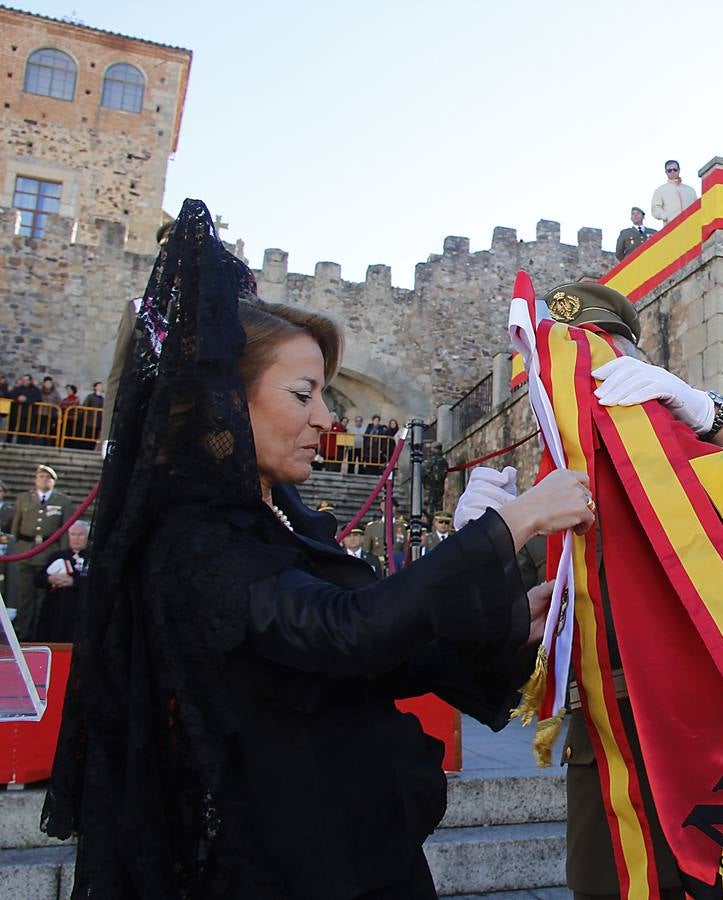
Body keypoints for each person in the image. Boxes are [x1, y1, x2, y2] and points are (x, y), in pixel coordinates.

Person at [40, 200, 596, 899]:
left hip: (357, 850)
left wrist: (517, 617)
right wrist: (513, 522)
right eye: (304, 394)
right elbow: (343, 632)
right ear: (223, 404)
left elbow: (388, 642)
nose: (328, 420)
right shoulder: (192, 541)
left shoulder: (282, 520)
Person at [457, 281, 723, 900]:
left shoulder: (697, 447)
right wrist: (477, 548)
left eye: (598, 357)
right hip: (607, 745)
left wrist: (715, 416)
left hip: (718, 729)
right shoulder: (544, 491)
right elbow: (515, 633)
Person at [6, 464, 74, 639]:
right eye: (41, 476)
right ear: (35, 479)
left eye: (48, 477)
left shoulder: (63, 501)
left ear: (53, 481)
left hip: (49, 553)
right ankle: (22, 632)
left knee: (43, 597)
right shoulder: (23, 499)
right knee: (24, 596)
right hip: (25, 552)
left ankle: (38, 632)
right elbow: (15, 528)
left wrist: (63, 554)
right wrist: (14, 550)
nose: (44, 479)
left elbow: (66, 529)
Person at [32, 519, 90, 642]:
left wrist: (74, 582)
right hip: (54, 613)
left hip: (79, 614)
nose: (76, 538)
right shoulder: (57, 556)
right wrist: (50, 578)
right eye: (73, 535)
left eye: (80, 535)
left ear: (87, 536)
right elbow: (37, 579)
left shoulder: (93, 558)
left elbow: (98, 583)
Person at [650, 159, 696, 226]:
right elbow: (655, 208)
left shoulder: (690, 190)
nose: (672, 172)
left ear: (679, 170)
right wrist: (665, 216)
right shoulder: (660, 190)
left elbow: (697, 207)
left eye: (675, 169)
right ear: (666, 172)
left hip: (691, 226)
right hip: (672, 228)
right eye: (669, 170)